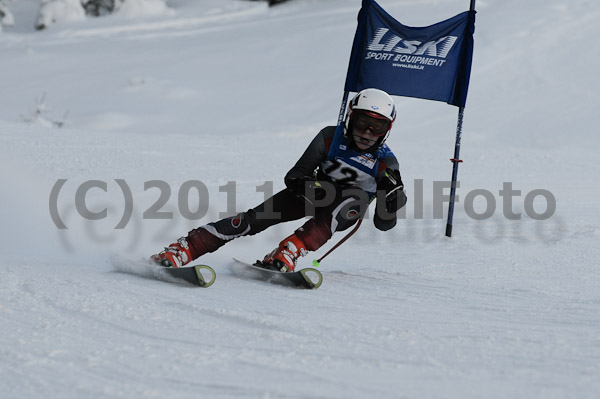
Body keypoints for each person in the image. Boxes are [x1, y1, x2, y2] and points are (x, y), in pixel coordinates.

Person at [151, 88, 407, 272]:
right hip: (316, 194)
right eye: (362, 122)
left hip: (345, 211)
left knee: (354, 198)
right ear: (350, 117)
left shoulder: (386, 162)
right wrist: (308, 186)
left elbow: (385, 225)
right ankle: (185, 248)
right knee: (254, 219)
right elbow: (295, 175)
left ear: (388, 130)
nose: (367, 133)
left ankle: (291, 249)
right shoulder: (331, 137)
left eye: (378, 127)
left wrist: (391, 201)